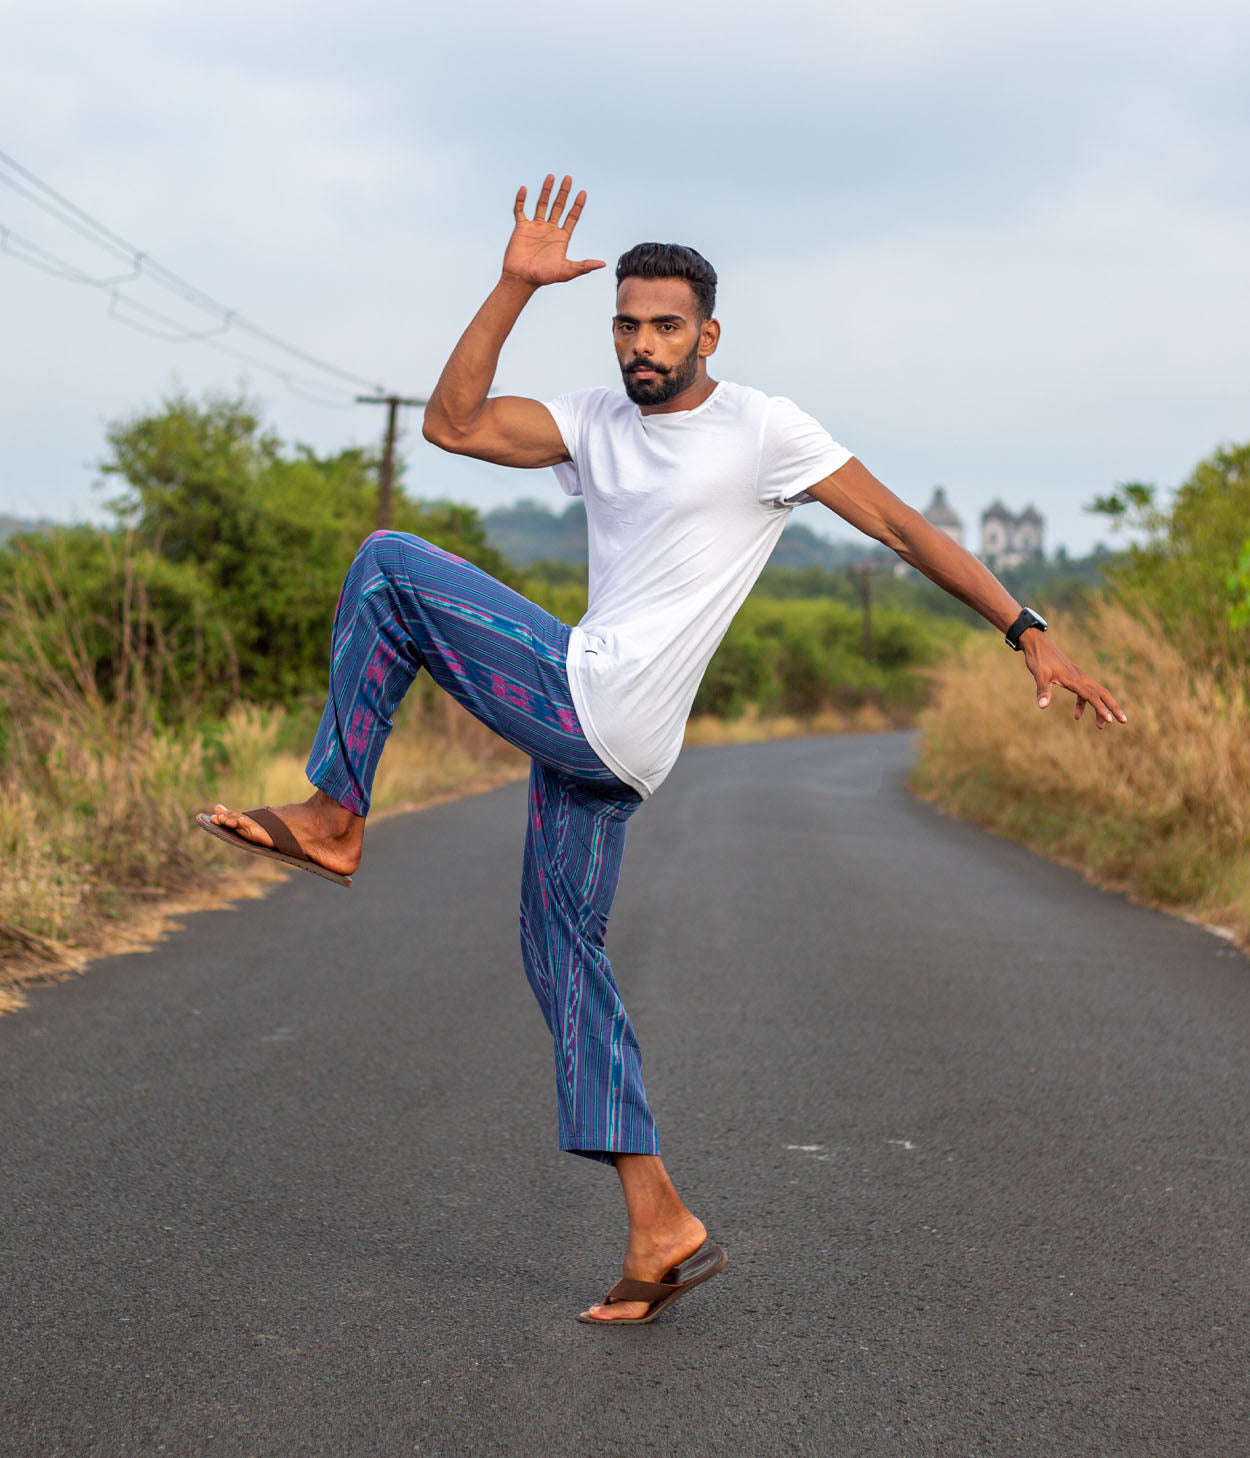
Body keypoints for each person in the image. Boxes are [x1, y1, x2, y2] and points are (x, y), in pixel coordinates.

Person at [200, 174, 1126, 1325]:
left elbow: (894, 523)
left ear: (708, 334)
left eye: (665, 325)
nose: (643, 344)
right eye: (627, 323)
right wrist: (510, 287)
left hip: (603, 707)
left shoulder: (763, 431)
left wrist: (1023, 630)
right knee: (560, 954)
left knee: (388, 561)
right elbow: (450, 424)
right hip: (611, 741)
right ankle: (657, 1224)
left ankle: (337, 815)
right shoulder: (591, 422)